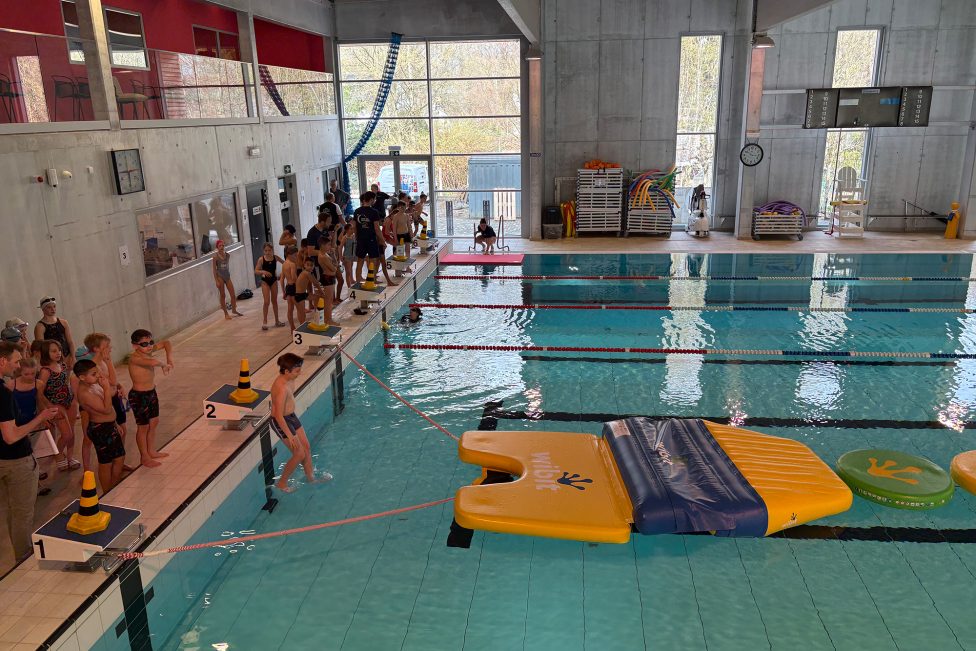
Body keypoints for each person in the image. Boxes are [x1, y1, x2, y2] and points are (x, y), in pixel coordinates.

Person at [0, 342, 60, 563]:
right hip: (15, 460)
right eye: (16, 361)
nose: (17, 365)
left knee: (12, 510)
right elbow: (11, 436)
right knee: (22, 513)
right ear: (2, 361)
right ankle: (23, 560)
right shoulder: (4, 393)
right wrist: (40, 419)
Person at [270, 353, 330, 492]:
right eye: (297, 371)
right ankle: (282, 483)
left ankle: (311, 479)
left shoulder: (290, 379)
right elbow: (278, 415)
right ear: (286, 371)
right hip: (281, 421)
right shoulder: (281, 388)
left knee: (306, 447)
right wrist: (290, 436)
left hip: (291, 417)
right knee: (299, 454)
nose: (299, 373)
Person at [73, 360, 125, 491]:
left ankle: (113, 487)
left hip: (108, 426)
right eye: (94, 373)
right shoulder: (85, 393)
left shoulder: (93, 385)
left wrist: (114, 423)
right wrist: (107, 388)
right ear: (82, 377)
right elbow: (106, 409)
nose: (97, 376)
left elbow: (108, 396)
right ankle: (108, 491)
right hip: (101, 429)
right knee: (105, 463)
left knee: (119, 458)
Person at [85, 333, 133, 472]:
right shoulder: (95, 366)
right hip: (107, 402)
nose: (110, 348)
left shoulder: (103, 362)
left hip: (115, 399)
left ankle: (120, 459)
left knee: (123, 430)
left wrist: (119, 386)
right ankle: (114, 461)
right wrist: (110, 361)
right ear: (96, 349)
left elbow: (114, 382)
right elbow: (111, 380)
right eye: (106, 346)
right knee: (115, 433)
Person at [127, 329, 173, 468]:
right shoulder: (134, 358)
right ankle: (144, 457)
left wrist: (169, 358)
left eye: (151, 342)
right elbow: (152, 363)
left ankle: (151, 451)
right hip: (138, 396)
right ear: (135, 346)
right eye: (144, 344)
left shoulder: (148, 350)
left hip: (151, 392)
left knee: (154, 423)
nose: (149, 346)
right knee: (143, 427)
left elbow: (166, 343)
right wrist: (164, 365)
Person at [37, 340, 79, 472]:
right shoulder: (45, 371)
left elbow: (66, 383)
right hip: (56, 404)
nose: (58, 353)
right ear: (46, 353)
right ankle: (58, 454)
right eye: (54, 351)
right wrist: (49, 407)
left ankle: (70, 457)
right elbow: (39, 392)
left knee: (71, 433)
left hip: (69, 401)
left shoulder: (63, 366)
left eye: (59, 350)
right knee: (66, 434)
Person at [12, 357, 51, 496]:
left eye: (32, 374)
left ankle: (35, 482)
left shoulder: (39, 384)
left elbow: (39, 401)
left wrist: (43, 417)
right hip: (16, 424)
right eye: (25, 374)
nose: (29, 377)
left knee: (32, 453)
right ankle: (33, 484)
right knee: (26, 454)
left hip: (33, 421)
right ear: (19, 372)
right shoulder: (11, 386)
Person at [353, 191, 398, 291]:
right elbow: (377, 229)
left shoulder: (357, 211)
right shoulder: (374, 212)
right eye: (374, 199)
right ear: (372, 199)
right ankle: (371, 282)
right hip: (371, 239)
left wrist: (357, 237)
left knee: (360, 261)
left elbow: (355, 226)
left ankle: (357, 283)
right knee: (373, 261)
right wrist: (382, 241)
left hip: (361, 239)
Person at [34, 297, 75, 369]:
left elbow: (70, 342)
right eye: (49, 307)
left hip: (66, 356)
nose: (53, 309)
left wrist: (73, 357)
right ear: (43, 309)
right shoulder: (40, 327)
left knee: (66, 379)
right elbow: (40, 348)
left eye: (54, 306)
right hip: (52, 360)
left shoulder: (63, 322)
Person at [255, 243, 286, 331]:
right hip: (265, 282)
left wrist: (282, 273)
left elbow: (285, 263)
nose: (268, 252)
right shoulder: (261, 259)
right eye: (266, 251)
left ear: (272, 250)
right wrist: (263, 271)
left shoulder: (275, 258)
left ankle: (277, 321)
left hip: (273, 281)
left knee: (274, 301)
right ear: (263, 251)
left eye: (269, 250)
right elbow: (256, 271)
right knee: (266, 302)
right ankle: (265, 322)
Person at [212, 240, 243, 320]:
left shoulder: (228, 255)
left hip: (227, 276)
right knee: (223, 295)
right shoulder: (215, 257)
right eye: (220, 246)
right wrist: (216, 281)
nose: (222, 247)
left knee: (233, 294)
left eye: (223, 245)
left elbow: (226, 267)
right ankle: (226, 313)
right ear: (217, 247)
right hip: (220, 277)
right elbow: (214, 270)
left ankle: (234, 310)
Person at [316, 238, 339, 327]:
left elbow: (335, 265)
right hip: (328, 278)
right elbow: (334, 268)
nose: (330, 246)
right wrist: (335, 266)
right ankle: (328, 320)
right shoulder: (323, 256)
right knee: (328, 301)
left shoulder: (324, 254)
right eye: (328, 245)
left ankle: (327, 319)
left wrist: (333, 255)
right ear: (322, 245)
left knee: (328, 300)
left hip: (329, 277)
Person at [281, 245, 301, 331]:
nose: (296, 257)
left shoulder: (284, 264)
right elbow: (294, 277)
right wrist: (299, 287)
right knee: (300, 309)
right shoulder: (292, 264)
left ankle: (292, 328)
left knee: (290, 309)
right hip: (294, 287)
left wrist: (283, 292)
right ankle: (302, 327)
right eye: (295, 255)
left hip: (288, 287)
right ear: (289, 255)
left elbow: (282, 279)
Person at [340, 222, 356, 297]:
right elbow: (340, 248)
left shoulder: (353, 236)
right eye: (351, 229)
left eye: (352, 228)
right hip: (347, 256)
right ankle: (349, 287)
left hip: (352, 255)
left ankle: (351, 281)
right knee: (348, 272)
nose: (352, 230)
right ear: (346, 230)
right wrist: (340, 257)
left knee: (351, 269)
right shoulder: (345, 238)